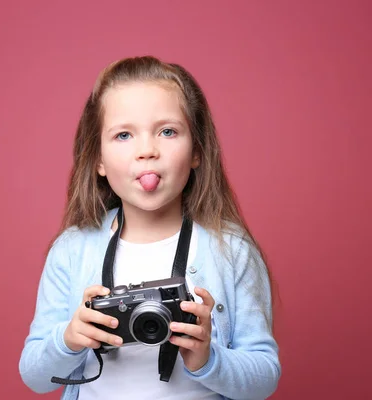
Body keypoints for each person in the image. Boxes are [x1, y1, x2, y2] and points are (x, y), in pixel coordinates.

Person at [18, 56, 281, 400]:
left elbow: (264, 380)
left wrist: (207, 358)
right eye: (124, 135)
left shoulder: (231, 250)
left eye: (167, 131)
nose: (147, 151)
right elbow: (36, 378)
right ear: (98, 159)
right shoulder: (72, 249)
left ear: (197, 151)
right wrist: (70, 338)